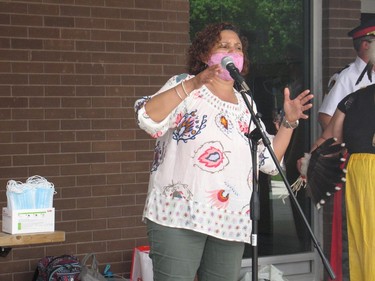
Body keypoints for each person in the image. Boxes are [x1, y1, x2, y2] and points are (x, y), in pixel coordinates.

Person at [134, 22, 313, 281]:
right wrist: (194, 82)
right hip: (178, 215)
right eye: (224, 46)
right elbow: (148, 118)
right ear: (205, 55)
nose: (233, 51)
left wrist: (289, 122)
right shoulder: (185, 86)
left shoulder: (246, 103)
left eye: (238, 48)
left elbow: (268, 160)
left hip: (230, 221)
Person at [305, 82, 375, 281]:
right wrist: (309, 162)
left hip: (360, 181)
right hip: (358, 184)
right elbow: (329, 137)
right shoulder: (355, 99)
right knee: (359, 247)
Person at [318, 18, 375, 130]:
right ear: (366, 45)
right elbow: (325, 118)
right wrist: (345, 145)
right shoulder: (346, 77)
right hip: (359, 147)